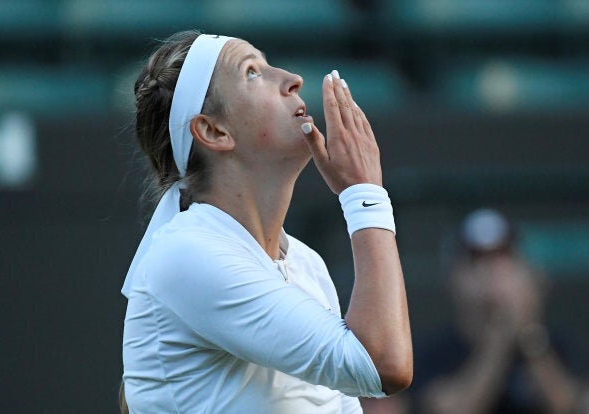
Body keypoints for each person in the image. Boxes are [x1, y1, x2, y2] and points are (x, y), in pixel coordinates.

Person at [121, 30, 412, 413]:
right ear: (213, 131)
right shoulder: (187, 252)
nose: (292, 79)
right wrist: (364, 193)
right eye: (252, 73)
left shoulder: (306, 263)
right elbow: (381, 365)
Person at [414, 208, 581, 414]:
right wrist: (500, 337)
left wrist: (528, 332)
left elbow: (569, 406)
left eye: (503, 258)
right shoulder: (433, 351)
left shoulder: (556, 343)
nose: (492, 272)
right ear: (452, 278)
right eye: (477, 261)